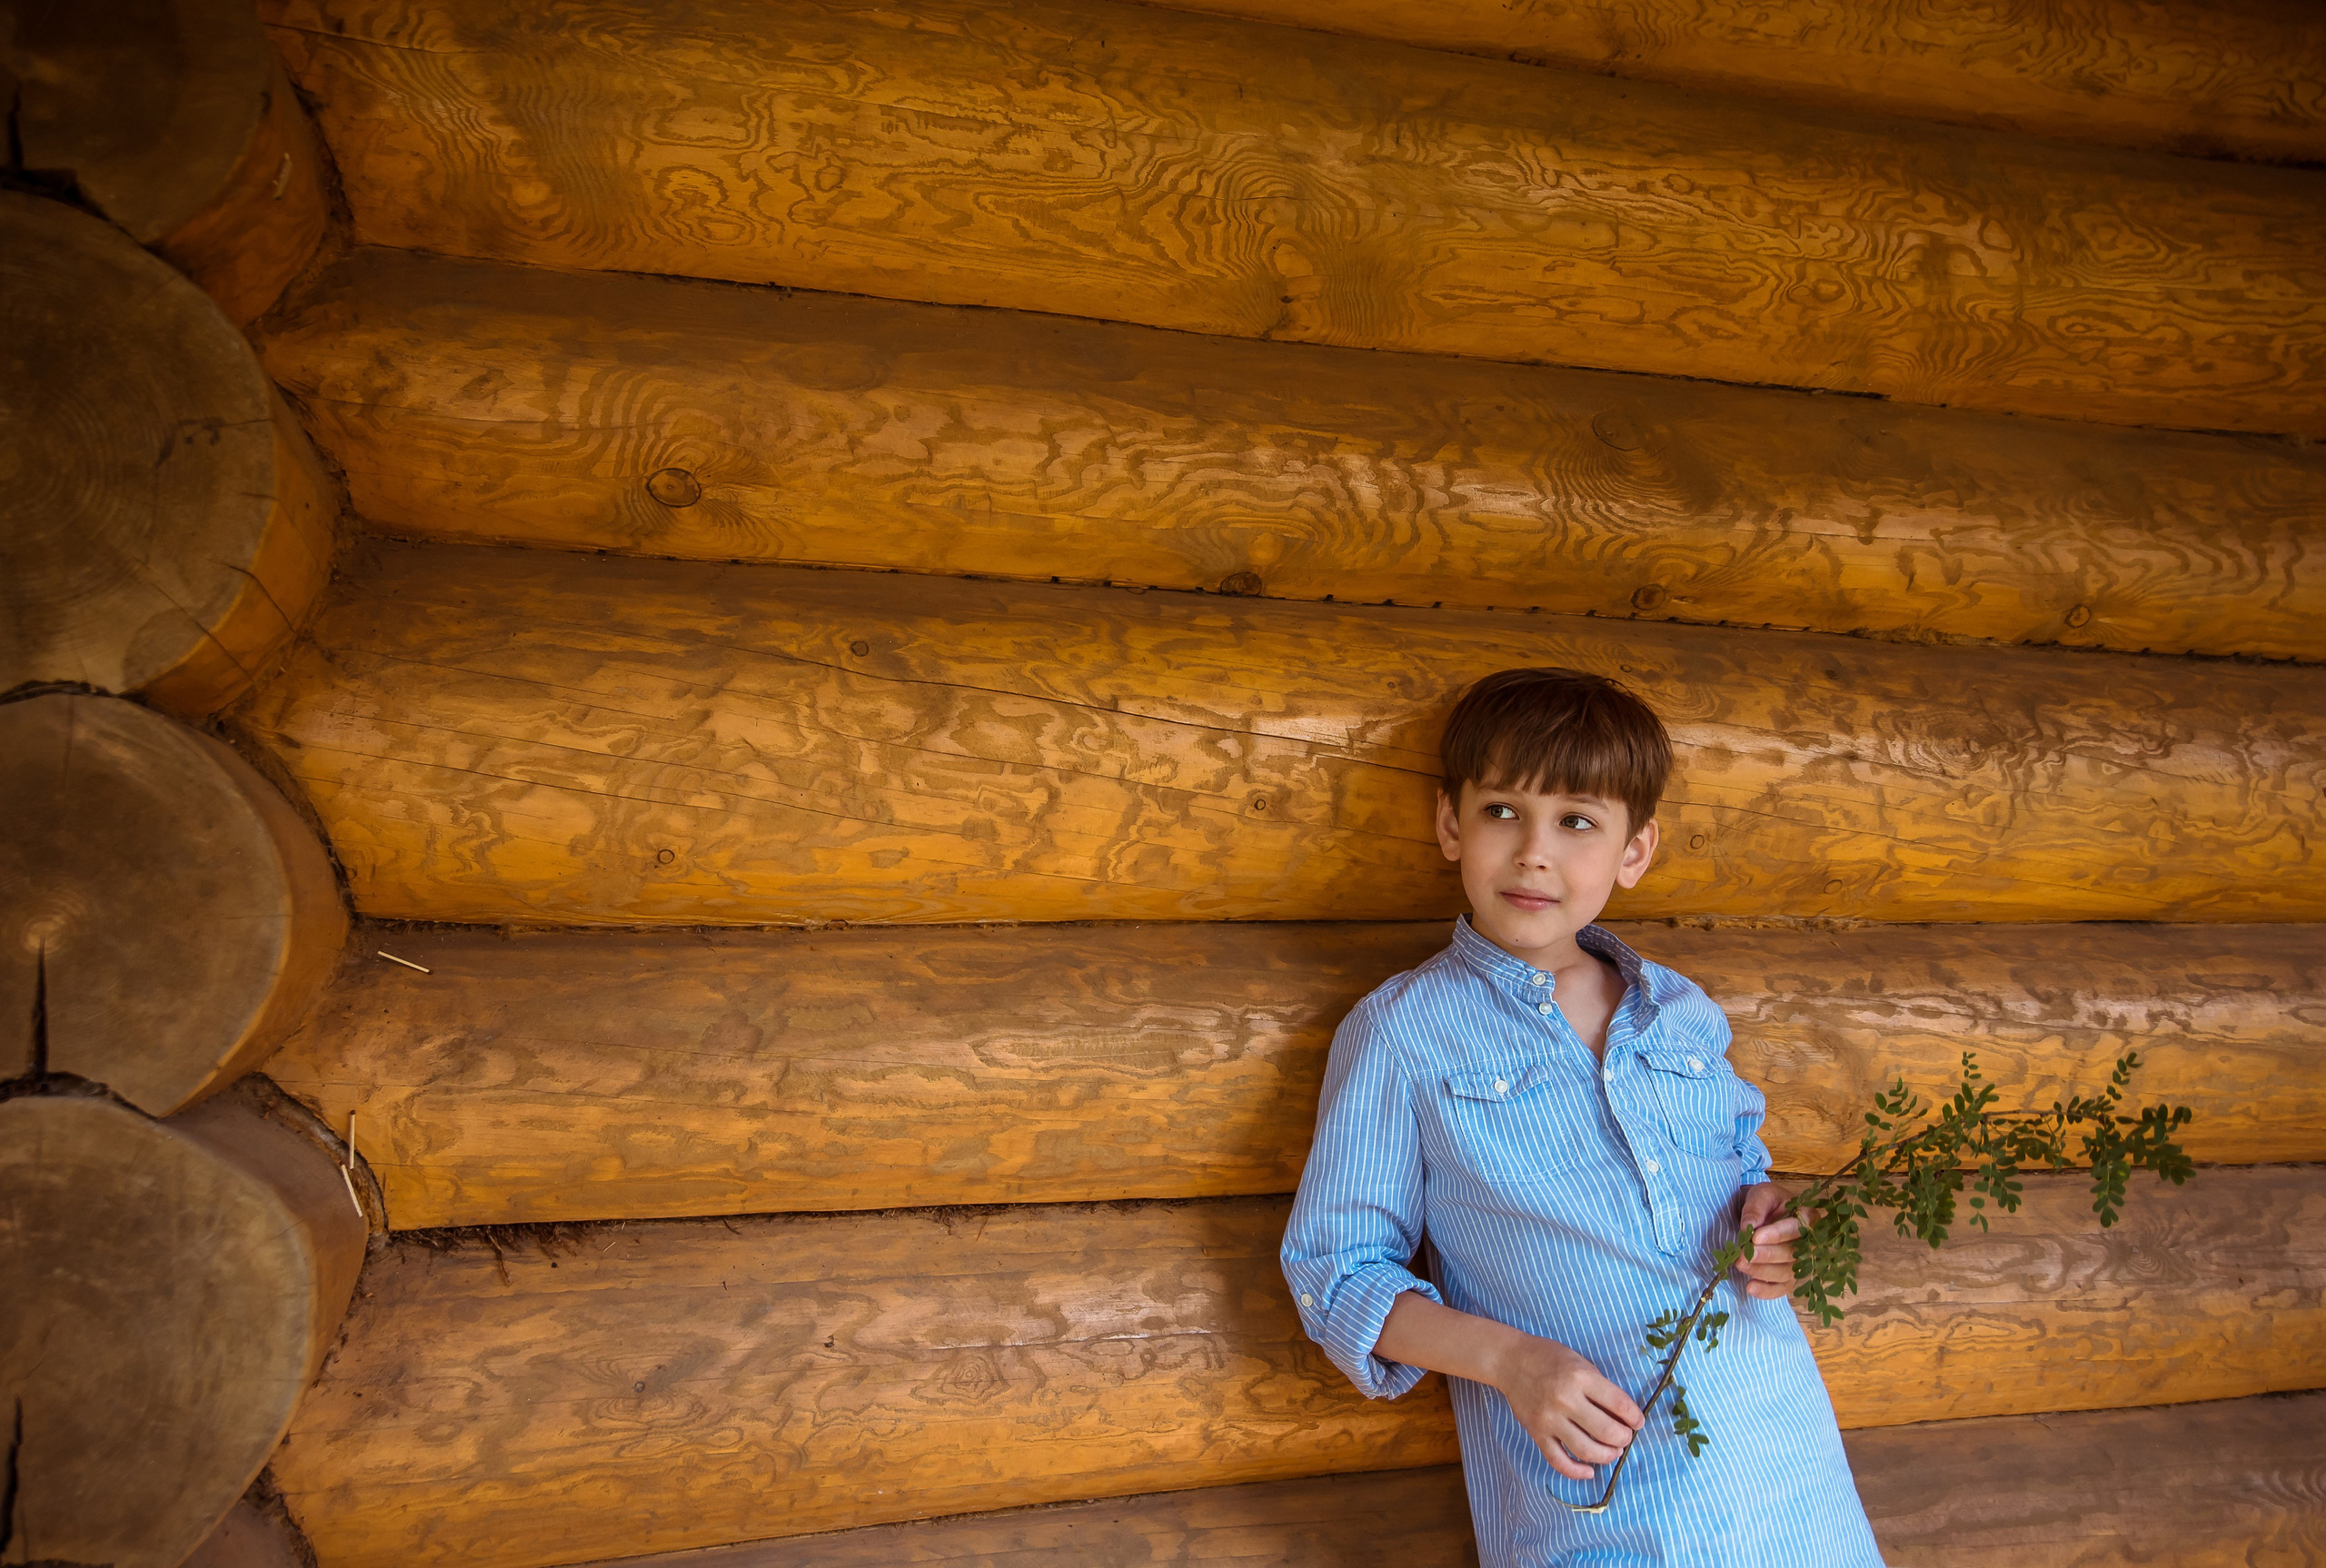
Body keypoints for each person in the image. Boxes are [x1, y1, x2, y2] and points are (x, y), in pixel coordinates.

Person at [1280, 667, 1884, 1566]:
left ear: (1633, 851)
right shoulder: (1402, 1033)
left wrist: (1777, 1221)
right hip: (1604, 1512)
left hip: (1785, 1477)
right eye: (1500, 812)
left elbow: (1745, 1176)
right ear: (1450, 823)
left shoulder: (1682, 1014)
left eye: (1575, 821)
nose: (1533, 852)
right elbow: (1334, 1276)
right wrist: (1511, 1362)